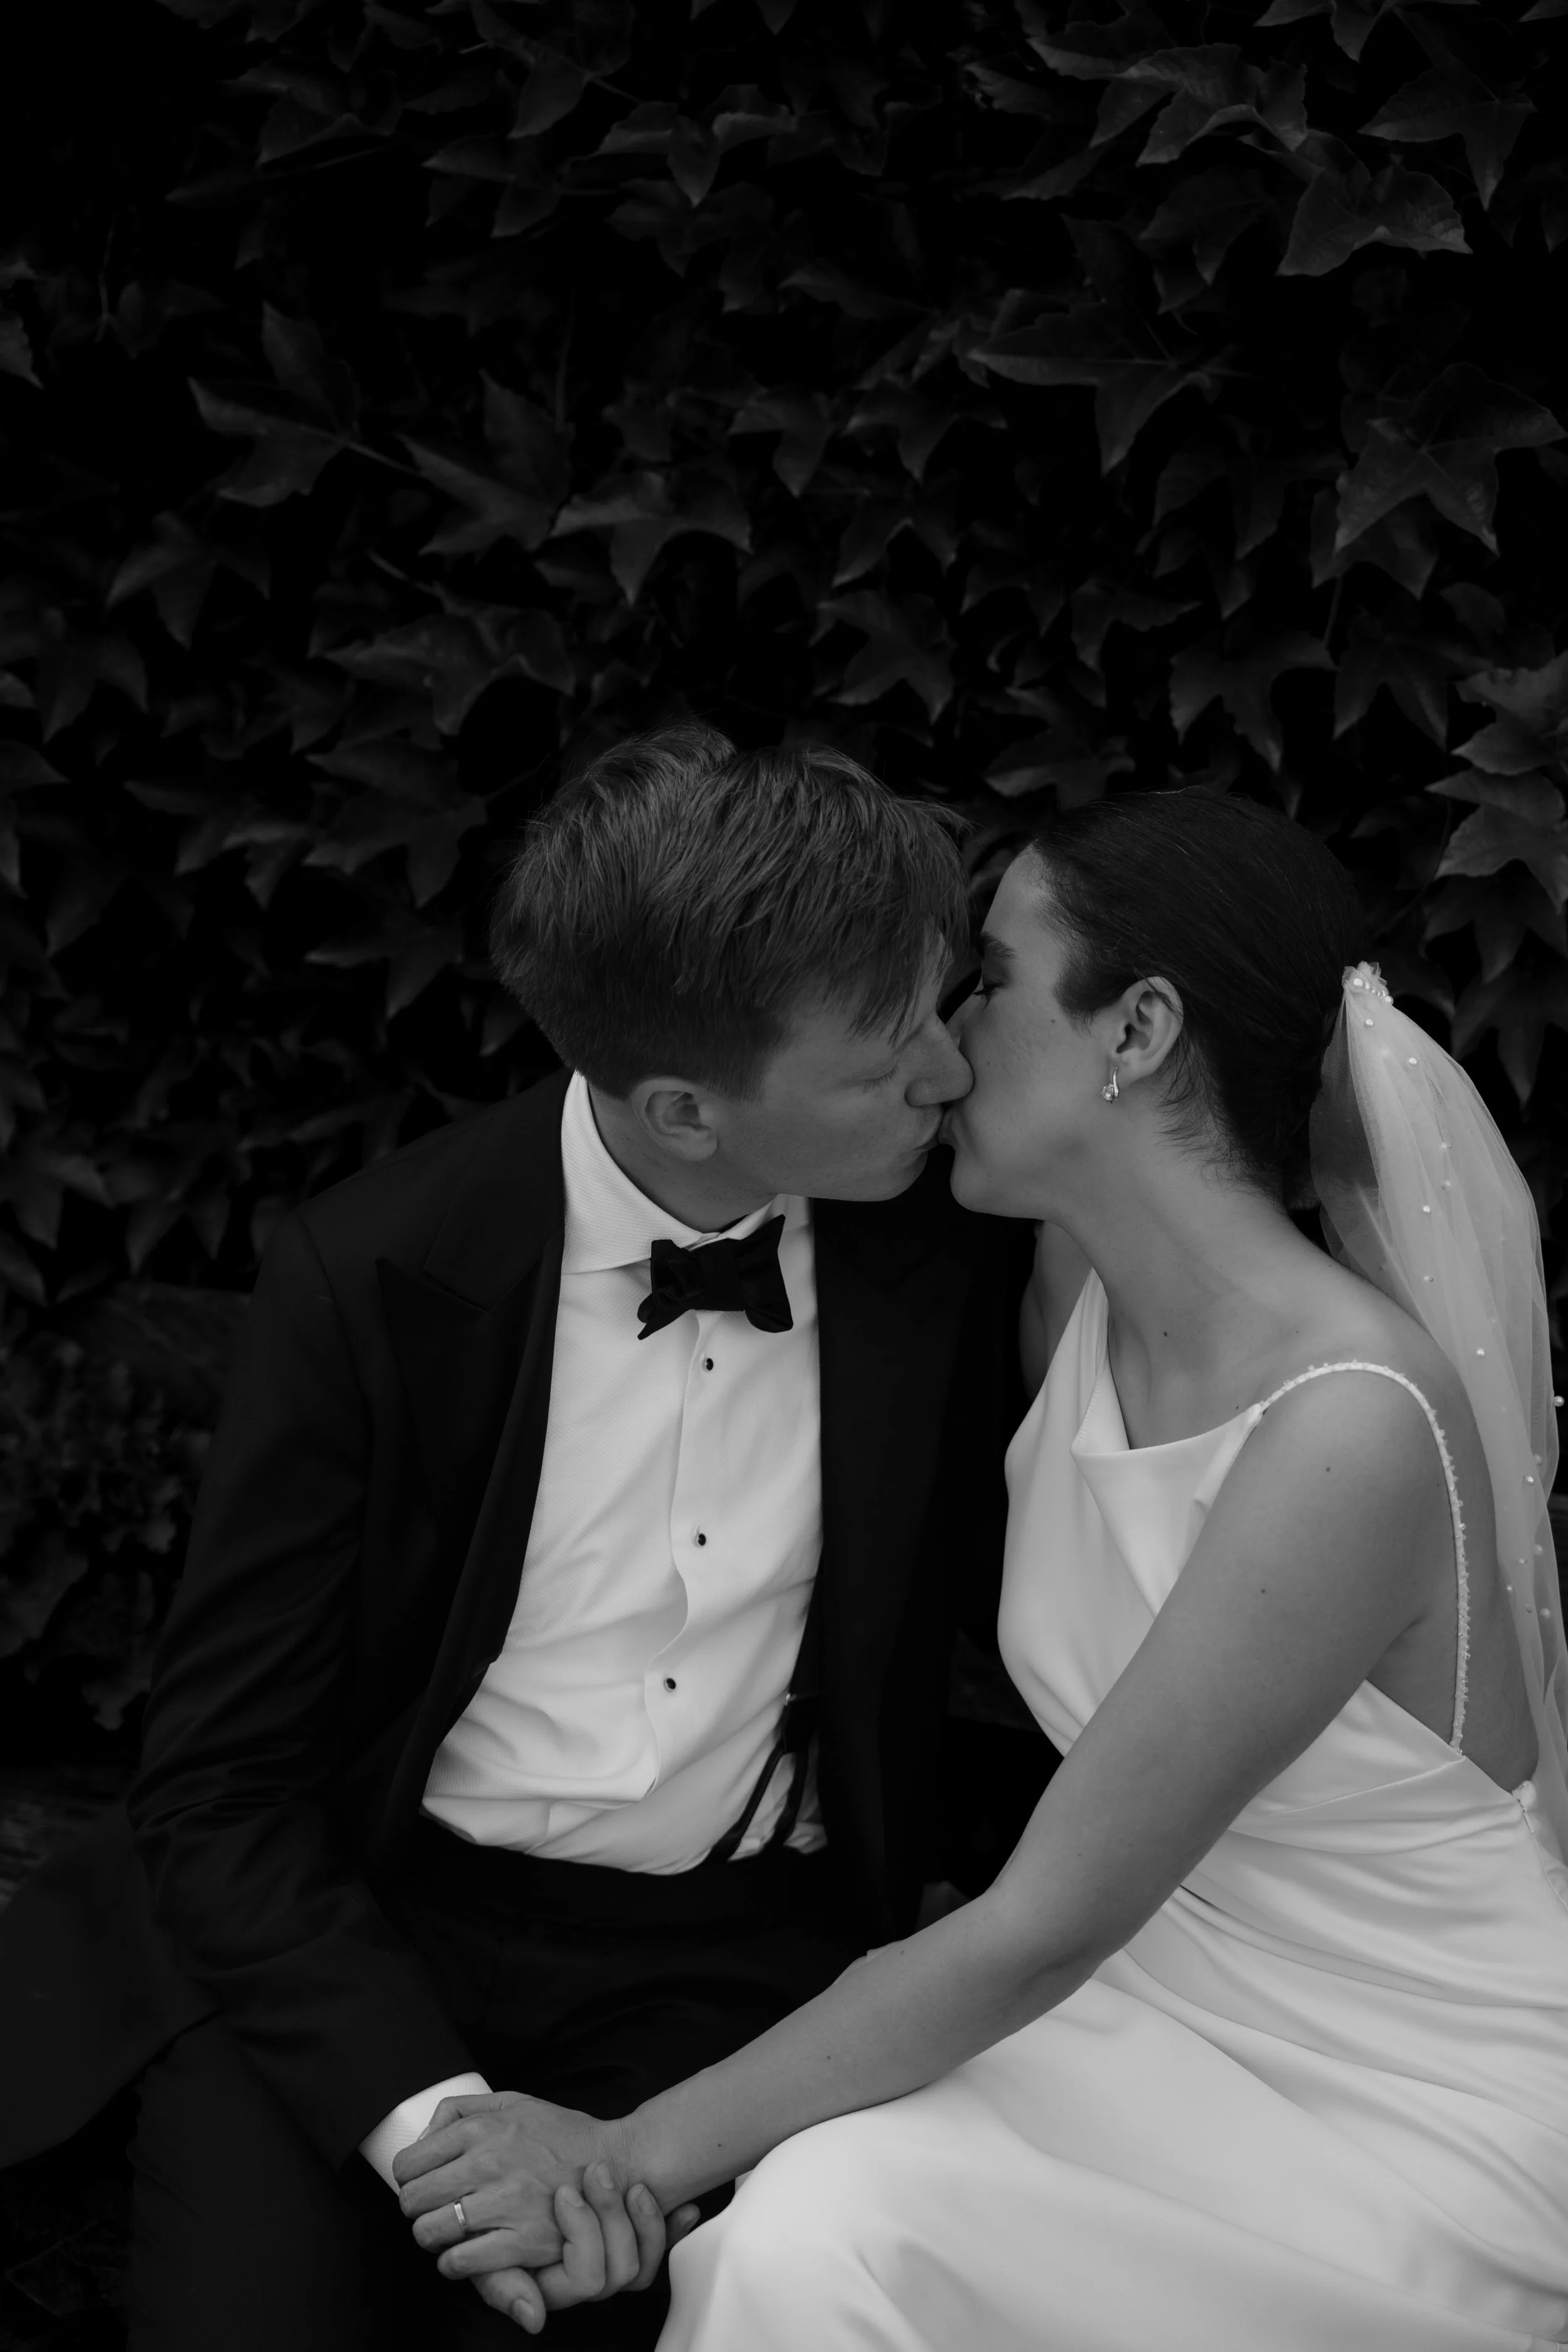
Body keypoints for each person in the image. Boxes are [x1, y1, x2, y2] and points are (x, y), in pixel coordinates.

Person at [394, 791, 1568, 2350]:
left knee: (821, 2241)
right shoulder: (1067, 1294)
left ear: (1136, 1028)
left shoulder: (1344, 1423)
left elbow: (1040, 1920)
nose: (937, 1044)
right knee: (804, 2233)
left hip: (1394, 2091)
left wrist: (621, 2153)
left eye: (988, 981)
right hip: (1151, 2021)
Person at [0, 724, 1030, 2351]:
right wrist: (437, 2128)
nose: (950, 1073)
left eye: (939, 1003)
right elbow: (220, 1779)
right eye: (883, 1052)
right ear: (685, 1106)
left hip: (739, 1959)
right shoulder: (375, 1275)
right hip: (371, 1934)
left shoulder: (953, 1255)